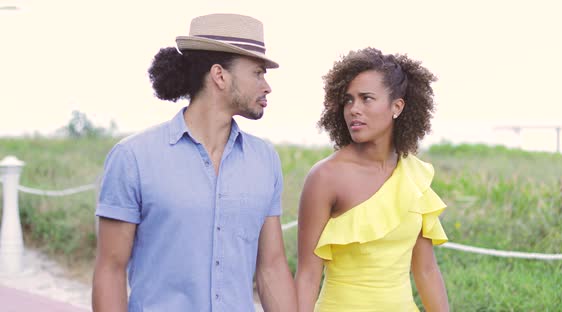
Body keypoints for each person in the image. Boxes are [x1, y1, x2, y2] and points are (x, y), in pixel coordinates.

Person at [92, 13, 297, 312]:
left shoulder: (265, 161)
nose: (267, 86)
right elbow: (110, 269)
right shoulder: (133, 158)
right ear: (219, 75)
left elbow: (272, 268)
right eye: (257, 73)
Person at [295, 48, 449, 311]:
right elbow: (308, 276)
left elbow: (426, 271)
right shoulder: (325, 177)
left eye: (366, 98)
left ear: (397, 107)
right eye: (348, 100)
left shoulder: (415, 176)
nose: (354, 109)